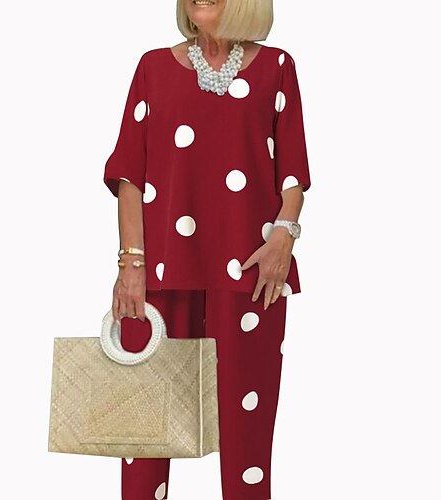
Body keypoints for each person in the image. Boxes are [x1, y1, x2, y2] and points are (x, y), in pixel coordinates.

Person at [103, 0, 312, 498]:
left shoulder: (277, 67)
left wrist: (284, 236)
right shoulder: (152, 67)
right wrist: (131, 263)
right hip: (160, 270)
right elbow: (130, 174)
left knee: (247, 435)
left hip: (252, 271)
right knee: (146, 429)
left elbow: (293, 173)